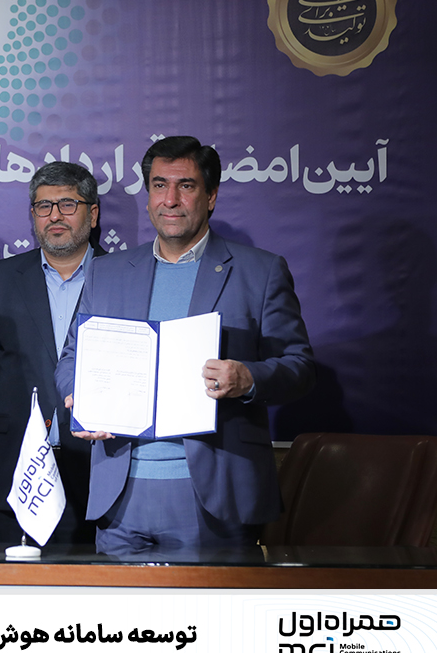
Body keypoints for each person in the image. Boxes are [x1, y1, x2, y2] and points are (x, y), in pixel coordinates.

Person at [55, 136, 314, 554]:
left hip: (214, 497)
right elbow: (71, 357)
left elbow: (299, 367)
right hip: (119, 496)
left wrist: (249, 378)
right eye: (159, 185)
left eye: (186, 186)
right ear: (148, 196)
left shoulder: (260, 271)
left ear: (210, 197)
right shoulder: (107, 272)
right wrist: (79, 394)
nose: (170, 200)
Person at [0, 161, 103, 544]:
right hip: (14, 476)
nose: (55, 216)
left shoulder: (122, 276)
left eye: (68, 204)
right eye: (43, 206)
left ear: (93, 214)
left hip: (100, 472)